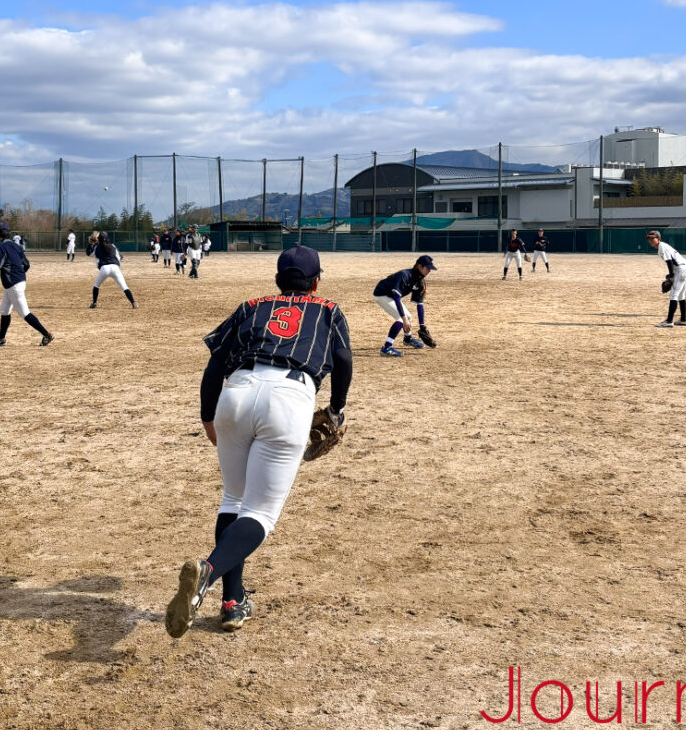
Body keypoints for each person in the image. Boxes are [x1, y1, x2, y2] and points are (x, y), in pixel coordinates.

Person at [165, 246, 352, 637]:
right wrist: (336, 409)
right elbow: (343, 361)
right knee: (261, 513)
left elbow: (215, 364)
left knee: (233, 499)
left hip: (236, 392)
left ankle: (232, 602)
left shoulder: (251, 306)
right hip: (290, 396)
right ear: (316, 282)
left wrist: (207, 416)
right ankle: (207, 573)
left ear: (278, 280)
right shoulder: (328, 310)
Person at [0, 222, 53, 347]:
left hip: (13, 284)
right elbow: (27, 264)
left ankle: (46, 334)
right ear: (9, 233)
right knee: (4, 310)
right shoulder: (17, 246)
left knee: (25, 313)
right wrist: (19, 274)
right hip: (18, 282)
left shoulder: (1, 246)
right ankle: (1, 339)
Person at [372, 256, 434, 356]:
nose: (429, 271)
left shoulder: (419, 281)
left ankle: (407, 339)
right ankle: (386, 348)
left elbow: (419, 305)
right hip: (382, 294)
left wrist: (422, 325)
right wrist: (404, 319)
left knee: (408, 316)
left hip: (391, 296)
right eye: (427, 268)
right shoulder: (405, 275)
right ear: (419, 266)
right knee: (402, 319)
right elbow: (397, 298)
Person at [646, 230, 686, 327]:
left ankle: (669, 321)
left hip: (681, 270)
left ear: (659, 239)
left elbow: (669, 261)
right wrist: (671, 274)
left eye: (653, 238)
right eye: (649, 239)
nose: (651, 240)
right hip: (685, 270)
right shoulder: (662, 246)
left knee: (674, 295)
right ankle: (683, 319)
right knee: (681, 296)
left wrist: (671, 276)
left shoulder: (662, 246)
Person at [87, 231, 137, 309]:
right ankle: (133, 303)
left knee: (96, 286)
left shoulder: (97, 248)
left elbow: (89, 254)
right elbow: (119, 257)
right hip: (115, 268)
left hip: (104, 268)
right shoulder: (112, 246)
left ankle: (94, 303)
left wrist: (91, 243)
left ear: (98, 239)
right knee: (124, 287)